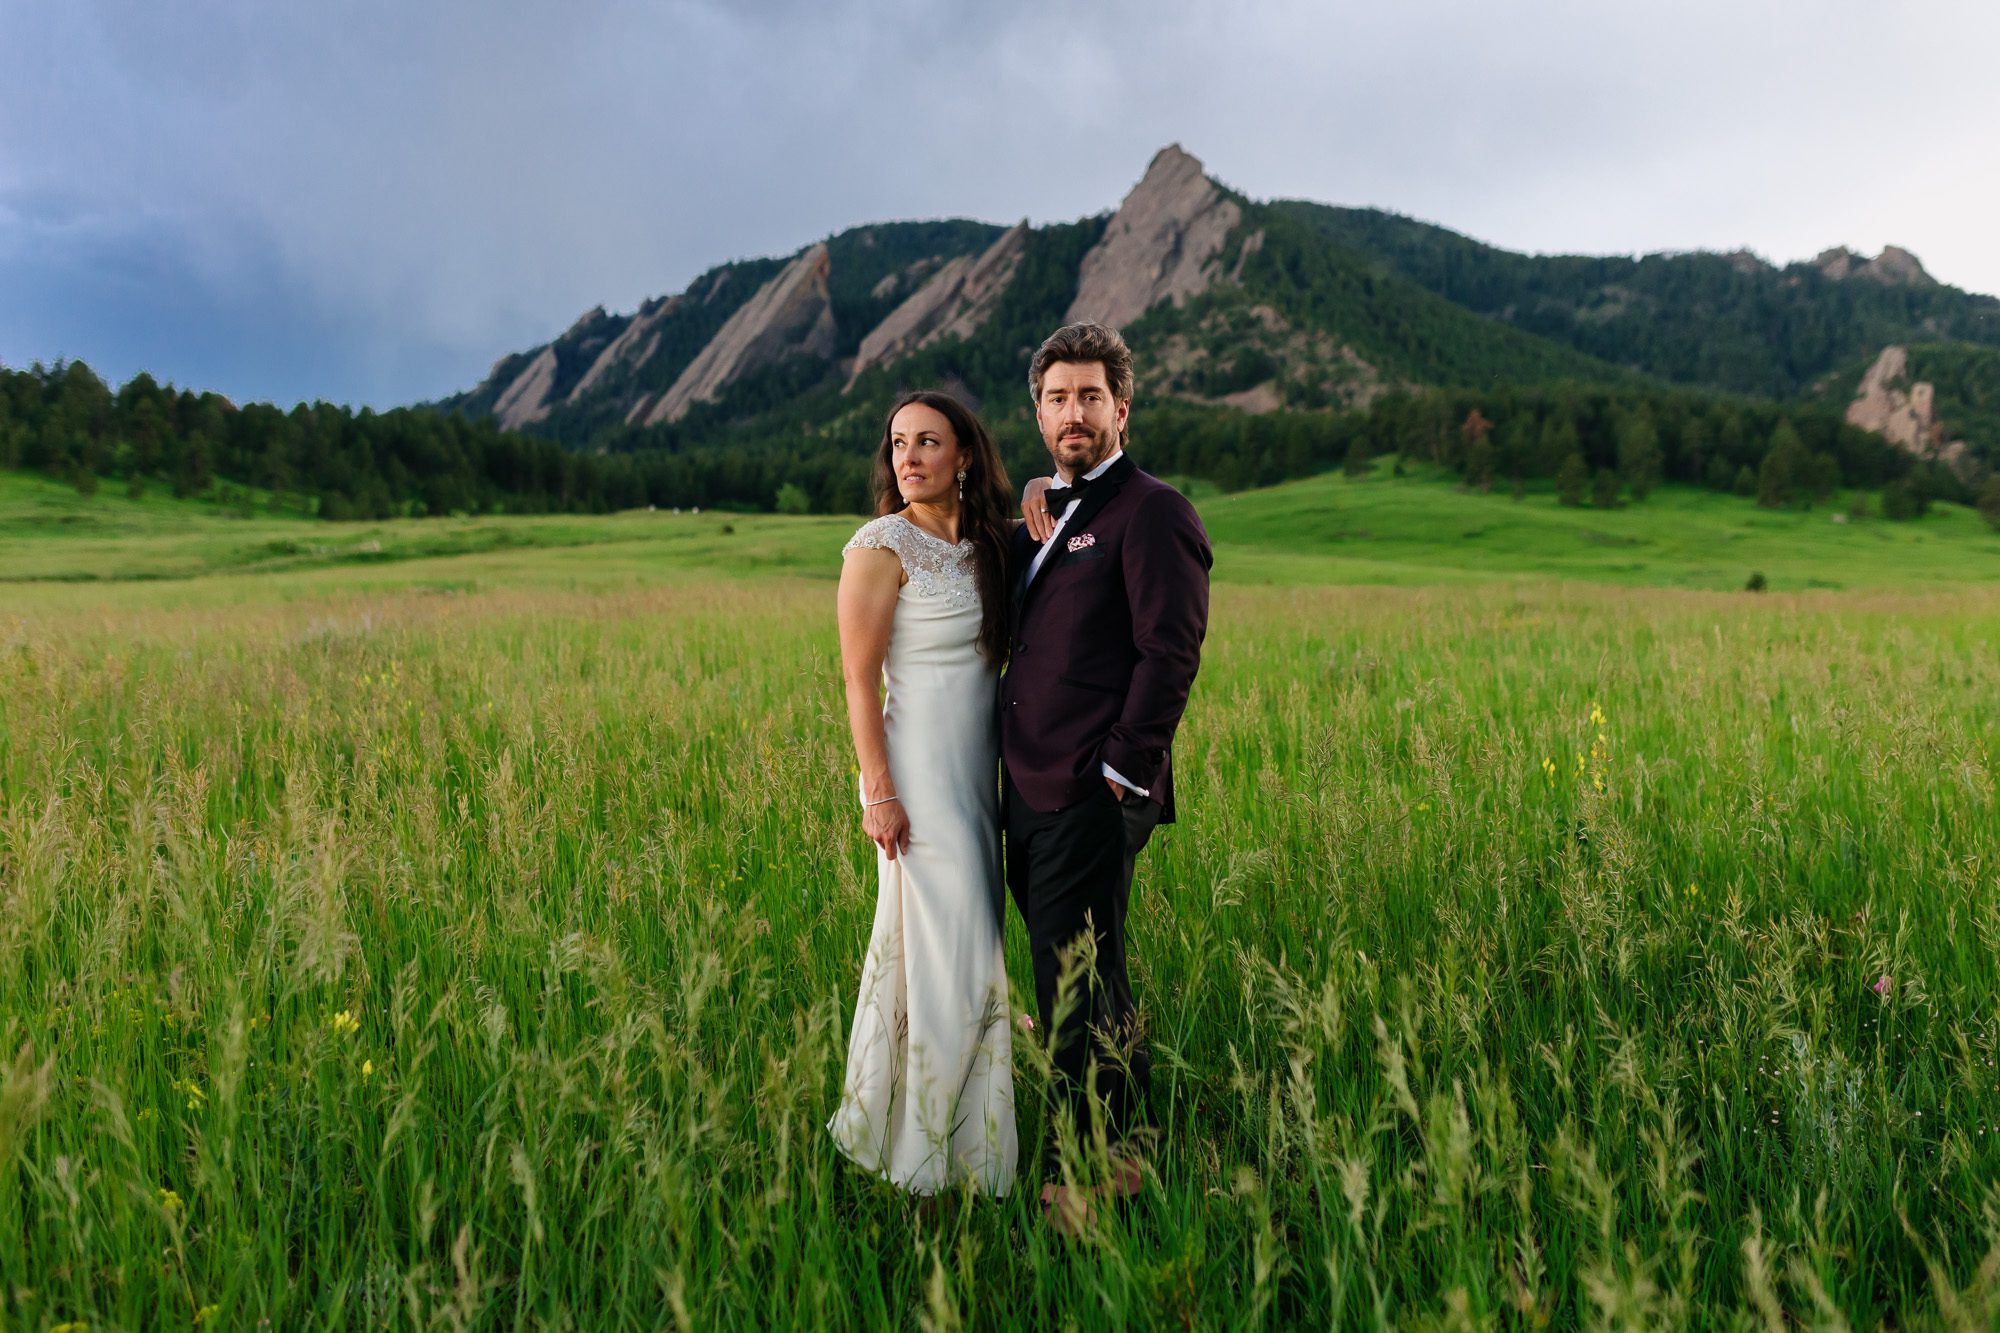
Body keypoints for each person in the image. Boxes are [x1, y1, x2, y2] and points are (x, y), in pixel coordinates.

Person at [1002, 321, 1211, 1231]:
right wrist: (1028, 497)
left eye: (1090, 396)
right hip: (1027, 789)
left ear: (1121, 408)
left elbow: (1171, 649)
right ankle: (1125, 1158)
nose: (1073, 412)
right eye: (1057, 398)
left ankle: (1080, 1184)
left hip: (1091, 789)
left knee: (1076, 992)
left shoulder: (1152, 509)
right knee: (1089, 982)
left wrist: (1122, 774)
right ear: (1039, 413)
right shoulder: (1055, 511)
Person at [827, 390, 1020, 1196]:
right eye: (898, 442)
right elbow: (858, 680)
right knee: (947, 958)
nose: (907, 456)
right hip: (915, 781)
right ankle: (931, 1162)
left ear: (964, 455)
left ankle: (928, 1134)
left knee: (966, 953)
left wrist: (1040, 492)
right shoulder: (879, 544)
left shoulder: (989, 545)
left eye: (928, 442)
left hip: (978, 777)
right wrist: (878, 790)